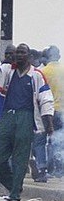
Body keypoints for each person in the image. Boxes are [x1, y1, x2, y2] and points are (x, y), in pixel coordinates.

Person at [0, 43, 54, 201]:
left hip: (26, 117)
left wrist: (48, 122)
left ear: (29, 56)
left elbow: (46, 99)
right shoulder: (7, 70)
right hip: (7, 116)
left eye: (22, 52)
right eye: (16, 53)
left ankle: (14, 196)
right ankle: (15, 186)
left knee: (20, 159)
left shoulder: (36, 75)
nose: (18, 55)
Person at [42, 46, 63, 178]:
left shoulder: (44, 71)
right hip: (62, 110)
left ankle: (50, 168)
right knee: (60, 140)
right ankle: (60, 169)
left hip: (49, 110)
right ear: (59, 56)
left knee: (49, 140)